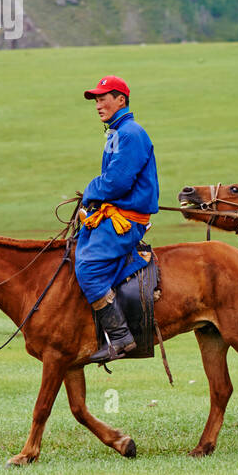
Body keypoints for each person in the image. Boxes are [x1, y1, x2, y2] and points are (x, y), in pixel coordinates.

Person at [75, 75, 160, 363]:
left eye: (103, 98)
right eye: (96, 99)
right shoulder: (117, 132)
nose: (98, 104)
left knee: (87, 267)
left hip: (126, 219)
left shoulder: (130, 133)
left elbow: (118, 182)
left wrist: (90, 190)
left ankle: (122, 337)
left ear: (121, 99)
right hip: (114, 213)